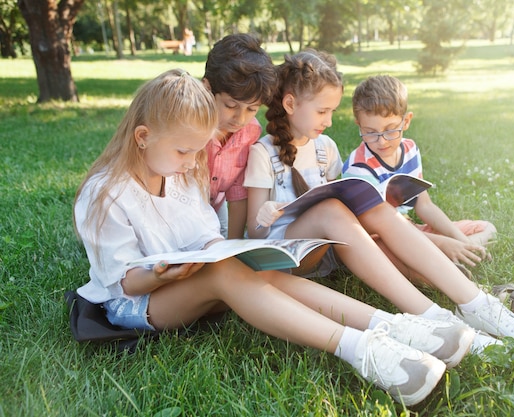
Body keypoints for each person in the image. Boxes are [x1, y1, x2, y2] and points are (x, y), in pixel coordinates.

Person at [72, 68, 479, 407]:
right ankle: (364, 351)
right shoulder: (106, 194)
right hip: (137, 300)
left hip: (188, 274)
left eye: (198, 152)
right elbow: (124, 281)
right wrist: (164, 274)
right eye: (183, 152)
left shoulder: (179, 175)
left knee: (248, 268)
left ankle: (395, 327)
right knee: (224, 274)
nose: (192, 163)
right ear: (143, 137)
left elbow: (204, 235)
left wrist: (232, 249)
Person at [244, 50, 514, 350]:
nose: (330, 121)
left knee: (372, 206)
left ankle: (476, 304)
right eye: (323, 111)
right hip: (284, 256)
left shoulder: (326, 147)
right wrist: (266, 212)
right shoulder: (263, 152)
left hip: (326, 250)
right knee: (332, 210)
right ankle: (435, 316)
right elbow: (254, 235)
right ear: (290, 104)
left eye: (333, 112)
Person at [342, 75, 514, 322]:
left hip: (414, 230)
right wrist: (442, 245)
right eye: (370, 133)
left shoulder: (410, 150)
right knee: (413, 266)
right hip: (380, 241)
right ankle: (494, 295)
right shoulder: (359, 168)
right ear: (359, 125)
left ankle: (461, 255)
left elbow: (424, 205)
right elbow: (370, 231)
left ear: (406, 120)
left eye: (391, 130)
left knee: (487, 229)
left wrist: (460, 241)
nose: (381, 141)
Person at [201, 33, 277, 238]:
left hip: (215, 209)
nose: (240, 118)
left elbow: (237, 194)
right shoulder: (188, 126)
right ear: (207, 88)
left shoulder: (250, 132)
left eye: (251, 109)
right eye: (230, 105)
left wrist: (233, 246)